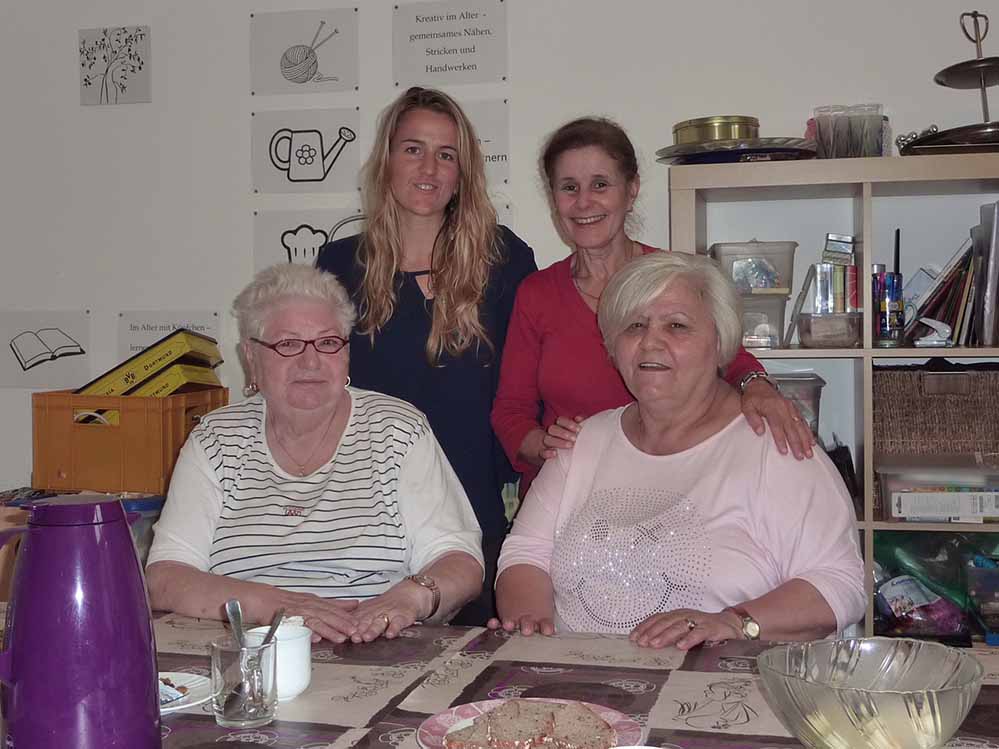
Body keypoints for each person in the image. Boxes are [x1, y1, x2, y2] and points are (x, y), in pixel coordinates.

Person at [491, 252, 865, 647]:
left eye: (677, 326)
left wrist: (731, 622)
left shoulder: (775, 446)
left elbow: (840, 584)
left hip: (721, 695)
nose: (651, 342)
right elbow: (526, 554)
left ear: (720, 343)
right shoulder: (580, 443)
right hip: (579, 690)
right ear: (613, 347)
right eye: (634, 326)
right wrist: (531, 631)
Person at [146, 264, 484, 644]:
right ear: (251, 358)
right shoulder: (216, 439)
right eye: (288, 344)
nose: (310, 361)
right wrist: (280, 607)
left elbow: (461, 562)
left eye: (327, 342)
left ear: (346, 354)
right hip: (251, 653)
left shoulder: (398, 429)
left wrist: (409, 598)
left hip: (375, 647)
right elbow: (165, 578)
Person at [491, 117, 812, 495]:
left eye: (600, 185)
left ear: (631, 191)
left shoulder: (677, 278)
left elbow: (729, 356)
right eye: (569, 188)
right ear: (554, 199)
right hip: (569, 494)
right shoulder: (537, 293)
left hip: (668, 491)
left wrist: (757, 386)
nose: (583, 202)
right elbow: (511, 413)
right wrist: (545, 446)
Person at [316, 87, 537, 624]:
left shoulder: (505, 259)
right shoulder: (339, 264)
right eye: (413, 149)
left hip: (473, 513)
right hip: (365, 521)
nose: (429, 168)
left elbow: (531, 388)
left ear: (464, 171)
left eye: (447, 154)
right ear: (387, 158)